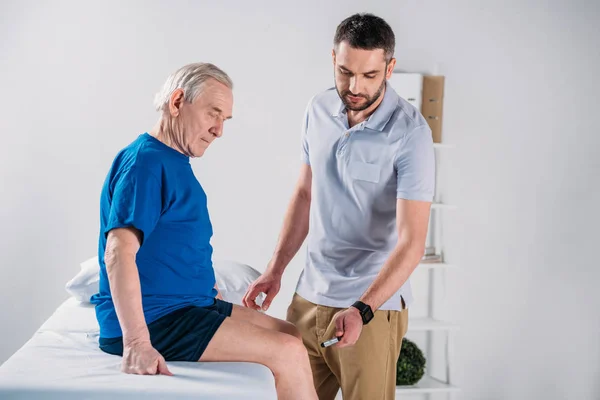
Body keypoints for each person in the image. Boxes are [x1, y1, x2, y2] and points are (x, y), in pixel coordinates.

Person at [90, 62, 318, 400]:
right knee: (287, 350)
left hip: (187, 304)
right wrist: (137, 343)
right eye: (213, 114)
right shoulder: (146, 163)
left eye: (224, 120)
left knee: (290, 334)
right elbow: (118, 251)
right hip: (158, 318)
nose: (218, 130)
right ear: (178, 101)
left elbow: (171, 244)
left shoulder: (172, 160)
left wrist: (201, 287)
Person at [243, 13, 435, 400]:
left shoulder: (410, 134)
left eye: (368, 75)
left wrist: (362, 309)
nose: (354, 86)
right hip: (308, 297)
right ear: (333, 58)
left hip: (370, 309)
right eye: (345, 71)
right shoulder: (317, 110)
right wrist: (275, 269)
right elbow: (304, 195)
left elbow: (412, 243)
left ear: (389, 68)